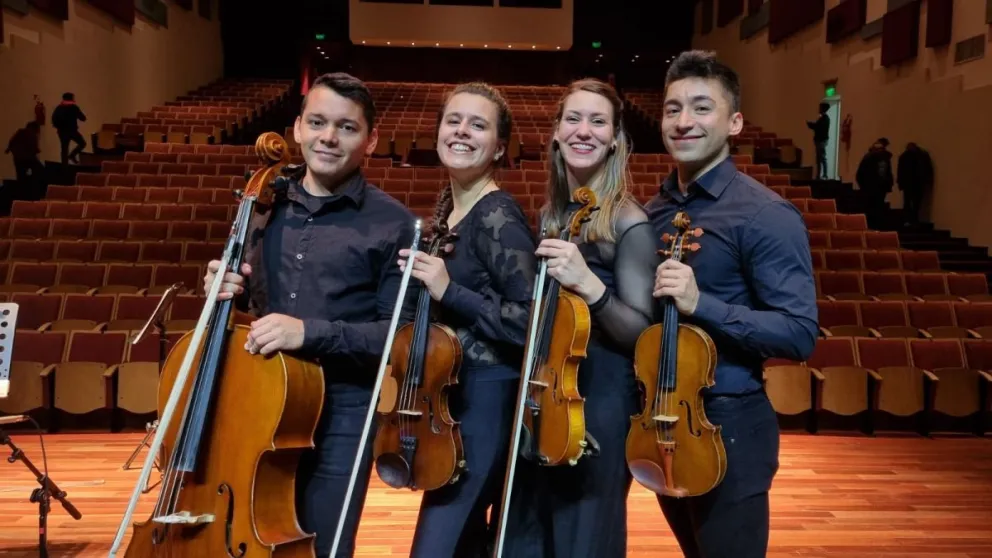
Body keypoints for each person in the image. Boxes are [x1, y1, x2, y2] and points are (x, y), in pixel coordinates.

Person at [203, 72, 416, 558]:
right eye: (317, 122)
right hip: (257, 402)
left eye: (347, 127)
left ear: (370, 140)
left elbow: (397, 337)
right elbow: (242, 304)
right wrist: (220, 288)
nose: (328, 137)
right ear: (297, 128)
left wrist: (308, 333)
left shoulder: (394, 224)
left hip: (343, 413)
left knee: (325, 544)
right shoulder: (261, 206)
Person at [644, 50, 818, 558]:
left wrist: (702, 303)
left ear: (734, 122)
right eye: (673, 109)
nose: (684, 121)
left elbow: (798, 332)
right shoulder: (654, 212)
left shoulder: (765, 214)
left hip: (731, 427)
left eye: (702, 107)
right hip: (663, 422)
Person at [501, 77, 660, 558]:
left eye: (598, 121)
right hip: (548, 393)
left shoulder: (629, 222)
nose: (583, 130)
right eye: (573, 118)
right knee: (529, 537)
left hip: (600, 401)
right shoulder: (553, 213)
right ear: (555, 132)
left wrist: (591, 285)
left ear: (614, 139)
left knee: (583, 539)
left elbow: (642, 333)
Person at [404, 82, 537, 558]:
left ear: (499, 147)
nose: (461, 131)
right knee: (465, 544)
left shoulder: (498, 213)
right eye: (453, 120)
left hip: (488, 399)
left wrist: (449, 291)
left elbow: (530, 321)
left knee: (436, 545)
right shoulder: (451, 207)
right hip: (454, 398)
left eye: (478, 125)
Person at [855, 137, 894, 227]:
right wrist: (888, 184)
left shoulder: (869, 157)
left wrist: (863, 187)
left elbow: (860, 174)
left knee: (871, 207)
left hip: (871, 187)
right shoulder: (885, 158)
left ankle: (871, 225)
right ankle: (876, 224)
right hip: (879, 187)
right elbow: (887, 173)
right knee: (877, 206)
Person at [5, 121, 45, 198]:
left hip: (18, 158)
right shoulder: (32, 134)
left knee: (21, 175)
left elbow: (12, 141)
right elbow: (34, 148)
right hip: (27, 158)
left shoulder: (20, 132)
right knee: (40, 170)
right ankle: (34, 188)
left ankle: (21, 191)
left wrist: (8, 149)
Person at [896, 142, 933, 225]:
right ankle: (913, 219)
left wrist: (900, 183)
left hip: (910, 183)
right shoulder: (922, 156)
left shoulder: (904, 157)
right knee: (915, 202)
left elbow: (900, 171)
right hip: (916, 182)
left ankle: (909, 219)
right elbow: (926, 169)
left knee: (909, 202)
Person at [51, 92, 87, 164]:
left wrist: (59, 127)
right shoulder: (74, 108)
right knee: (82, 143)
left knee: (64, 150)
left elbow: (54, 120)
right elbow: (83, 118)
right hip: (72, 131)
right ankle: (72, 155)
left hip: (62, 132)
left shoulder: (59, 108)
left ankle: (64, 166)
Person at [806, 102, 829, 179]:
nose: (818, 109)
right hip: (819, 140)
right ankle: (818, 175)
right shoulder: (822, 118)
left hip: (821, 141)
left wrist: (811, 125)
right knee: (819, 158)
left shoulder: (825, 119)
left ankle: (825, 174)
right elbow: (817, 126)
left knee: (822, 157)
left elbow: (819, 128)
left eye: (820, 107)